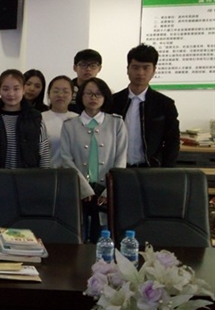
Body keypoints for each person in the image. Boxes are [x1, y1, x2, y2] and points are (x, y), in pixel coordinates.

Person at [60, 77, 127, 243]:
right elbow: (66, 159)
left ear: (105, 97)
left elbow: (121, 158)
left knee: (104, 239)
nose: (93, 97)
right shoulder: (69, 125)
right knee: (78, 237)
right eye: (89, 93)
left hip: (106, 191)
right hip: (79, 191)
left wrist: (109, 190)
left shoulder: (116, 123)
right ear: (81, 96)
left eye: (98, 94)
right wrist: (84, 189)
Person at [0, 69, 51, 205]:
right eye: (5, 89)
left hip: (28, 181)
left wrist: (44, 180)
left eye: (16, 89)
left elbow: (44, 151)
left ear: (23, 90)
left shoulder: (36, 118)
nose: (11, 94)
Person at [112, 44, 180, 168]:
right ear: (127, 69)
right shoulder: (113, 101)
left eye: (146, 68)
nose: (140, 73)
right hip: (117, 168)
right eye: (135, 67)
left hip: (151, 169)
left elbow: (172, 141)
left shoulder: (165, 104)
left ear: (154, 70)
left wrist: (166, 170)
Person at [42, 75, 78, 168]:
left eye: (65, 91)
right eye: (56, 91)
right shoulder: (40, 118)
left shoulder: (78, 119)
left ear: (72, 95)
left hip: (73, 173)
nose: (60, 95)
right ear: (49, 94)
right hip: (47, 172)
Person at [68, 49, 102, 114]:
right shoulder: (67, 89)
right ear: (75, 67)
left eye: (93, 66)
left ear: (99, 68)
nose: (88, 69)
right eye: (83, 65)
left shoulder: (104, 91)